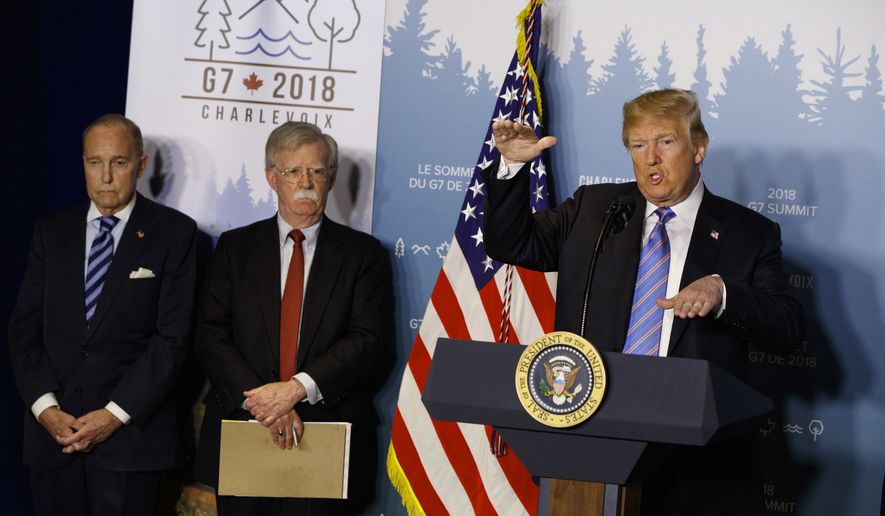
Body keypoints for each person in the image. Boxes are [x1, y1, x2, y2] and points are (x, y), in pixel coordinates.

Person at [484, 89, 805, 515]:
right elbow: (512, 243)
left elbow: (787, 329)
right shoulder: (594, 208)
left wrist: (724, 293)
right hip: (589, 445)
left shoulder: (750, 234)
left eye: (666, 142)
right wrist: (511, 167)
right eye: (638, 145)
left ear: (699, 148)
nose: (650, 158)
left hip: (698, 464)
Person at [194, 121, 393, 515]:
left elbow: (368, 340)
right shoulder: (234, 249)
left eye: (317, 171)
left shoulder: (364, 255)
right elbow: (209, 334)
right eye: (292, 171)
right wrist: (267, 402)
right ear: (271, 177)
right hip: (244, 427)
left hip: (326, 433)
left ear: (331, 178)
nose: (306, 181)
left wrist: (296, 390)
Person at [7, 113, 198, 515]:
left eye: (119, 162)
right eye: (95, 163)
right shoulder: (50, 231)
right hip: (53, 442)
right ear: (83, 165)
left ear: (141, 166)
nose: (106, 176)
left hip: (130, 446)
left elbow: (172, 340)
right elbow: (23, 329)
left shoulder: (175, 234)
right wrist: (47, 410)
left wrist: (112, 416)